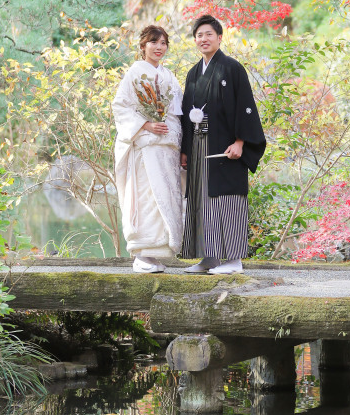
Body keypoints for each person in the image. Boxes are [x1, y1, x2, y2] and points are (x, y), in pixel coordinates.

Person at [180, 14, 266, 274]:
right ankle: (209, 258)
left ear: (219, 37)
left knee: (228, 199)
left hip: (226, 147)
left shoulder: (232, 68)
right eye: (199, 35)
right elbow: (186, 113)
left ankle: (233, 260)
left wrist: (241, 141)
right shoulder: (193, 73)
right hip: (199, 146)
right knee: (201, 200)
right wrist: (185, 148)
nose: (203, 39)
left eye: (208, 34)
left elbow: (245, 107)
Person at [112, 25, 184, 274]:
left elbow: (176, 112)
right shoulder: (134, 73)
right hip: (144, 146)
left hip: (166, 148)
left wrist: (174, 137)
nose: (159, 47)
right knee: (145, 197)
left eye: (163, 43)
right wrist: (146, 124)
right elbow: (120, 106)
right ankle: (142, 254)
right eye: (154, 42)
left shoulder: (169, 76)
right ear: (143, 46)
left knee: (164, 197)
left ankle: (156, 254)